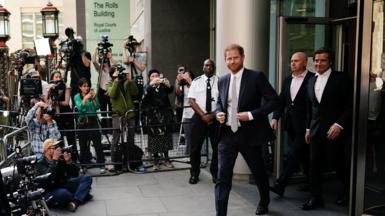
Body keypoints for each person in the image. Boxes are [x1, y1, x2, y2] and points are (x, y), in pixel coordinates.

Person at [215, 44, 279, 216]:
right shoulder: (222, 80)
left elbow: (274, 101)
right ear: (225, 60)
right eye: (229, 58)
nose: (232, 61)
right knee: (223, 178)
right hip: (227, 135)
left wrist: (251, 114)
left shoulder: (256, 77)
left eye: (236, 57)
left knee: (258, 172)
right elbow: (220, 102)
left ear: (243, 57)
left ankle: (264, 201)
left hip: (250, 135)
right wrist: (218, 112)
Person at [303, 48, 352, 210]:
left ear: (330, 62)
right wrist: (308, 129)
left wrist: (339, 124)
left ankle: (349, 191)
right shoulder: (310, 80)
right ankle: (315, 198)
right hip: (316, 130)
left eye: (322, 60)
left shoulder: (341, 78)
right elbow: (310, 108)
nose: (318, 63)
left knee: (336, 162)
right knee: (314, 164)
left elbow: (350, 105)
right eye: (316, 60)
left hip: (334, 130)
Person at [270, 52, 313, 196]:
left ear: (305, 62)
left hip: (306, 126)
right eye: (291, 61)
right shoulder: (288, 79)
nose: (292, 64)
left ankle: (280, 185)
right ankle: (311, 182)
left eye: (296, 61)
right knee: (303, 157)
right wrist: (275, 117)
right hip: (291, 125)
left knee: (293, 154)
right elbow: (282, 100)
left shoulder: (313, 79)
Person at [35, 138, 93, 212]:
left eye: (58, 147)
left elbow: (75, 174)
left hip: (64, 184)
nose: (58, 149)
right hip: (51, 190)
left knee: (87, 178)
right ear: (47, 150)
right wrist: (54, 160)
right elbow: (49, 179)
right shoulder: (40, 164)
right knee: (64, 194)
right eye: (55, 148)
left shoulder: (60, 159)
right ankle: (82, 195)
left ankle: (75, 202)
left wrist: (69, 162)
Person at [187, 59, 219, 184]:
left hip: (215, 118)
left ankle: (215, 173)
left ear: (214, 68)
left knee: (217, 148)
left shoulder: (220, 81)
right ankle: (194, 173)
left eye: (211, 66)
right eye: (206, 65)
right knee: (195, 148)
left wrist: (212, 115)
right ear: (203, 67)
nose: (209, 67)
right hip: (199, 118)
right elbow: (191, 101)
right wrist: (203, 115)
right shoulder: (196, 82)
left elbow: (223, 101)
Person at [107, 64, 138, 171]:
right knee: (115, 139)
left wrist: (130, 81)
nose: (119, 73)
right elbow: (112, 94)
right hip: (117, 115)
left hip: (129, 114)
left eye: (119, 71)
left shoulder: (126, 82)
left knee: (131, 138)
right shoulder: (110, 83)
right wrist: (116, 81)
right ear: (112, 74)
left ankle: (130, 161)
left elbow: (135, 92)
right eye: (116, 71)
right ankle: (113, 161)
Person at [142, 69, 174, 170]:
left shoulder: (163, 86)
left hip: (165, 116)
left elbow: (170, 90)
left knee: (166, 137)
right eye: (152, 76)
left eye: (157, 75)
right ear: (149, 78)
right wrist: (150, 86)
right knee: (154, 139)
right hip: (153, 117)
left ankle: (166, 159)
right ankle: (156, 161)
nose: (155, 77)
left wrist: (169, 85)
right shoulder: (147, 87)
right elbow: (143, 100)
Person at [74, 78, 105, 173]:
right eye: (84, 86)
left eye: (87, 86)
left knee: (97, 143)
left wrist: (94, 98)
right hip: (83, 121)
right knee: (83, 144)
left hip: (93, 120)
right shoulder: (77, 96)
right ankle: (83, 165)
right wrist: (85, 98)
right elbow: (80, 108)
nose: (86, 88)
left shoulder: (92, 95)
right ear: (80, 87)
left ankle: (101, 164)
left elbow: (97, 107)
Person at [46, 71, 78, 161]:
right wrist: (49, 91)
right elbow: (47, 102)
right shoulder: (50, 87)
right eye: (56, 77)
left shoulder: (65, 86)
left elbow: (66, 102)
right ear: (52, 78)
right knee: (59, 140)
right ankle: (61, 160)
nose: (58, 78)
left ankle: (74, 159)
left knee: (71, 138)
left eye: (59, 76)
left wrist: (56, 102)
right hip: (56, 115)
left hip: (66, 114)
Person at [92, 41, 116, 118]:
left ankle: (112, 128)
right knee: (103, 113)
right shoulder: (100, 69)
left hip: (110, 91)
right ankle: (104, 128)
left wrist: (110, 56)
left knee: (112, 112)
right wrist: (96, 49)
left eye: (106, 61)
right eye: (103, 61)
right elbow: (94, 61)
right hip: (102, 92)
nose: (104, 62)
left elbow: (116, 65)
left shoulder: (112, 69)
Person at [174, 65, 194, 153]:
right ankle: (188, 154)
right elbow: (177, 92)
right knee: (188, 135)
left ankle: (193, 154)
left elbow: (197, 91)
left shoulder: (195, 84)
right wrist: (178, 81)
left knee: (195, 135)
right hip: (186, 113)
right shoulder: (183, 86)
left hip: (196, 113)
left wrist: (189, 80)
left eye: (187, 75)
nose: (185, 76)